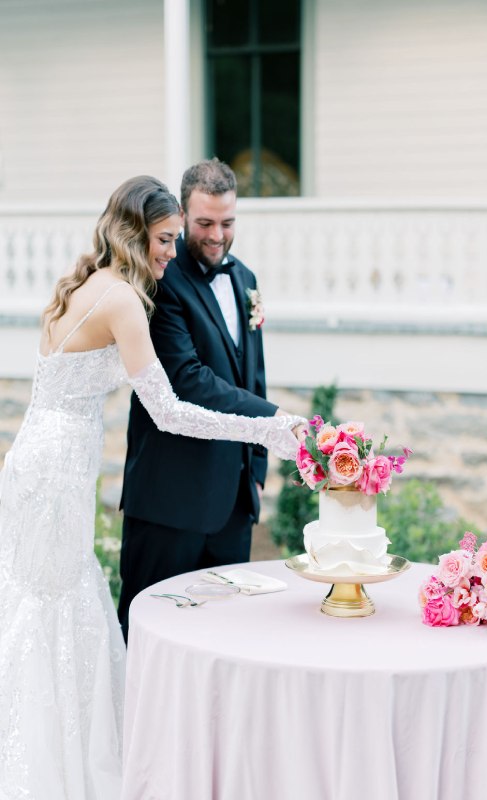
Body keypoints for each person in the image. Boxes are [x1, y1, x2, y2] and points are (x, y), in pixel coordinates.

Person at [0, 175, 302, 800]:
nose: (172, 252)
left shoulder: (89, 285)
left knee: (51, 606)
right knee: (59, 609)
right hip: (56, 474)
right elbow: (172, 412)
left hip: (44, 461)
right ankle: (49, 768)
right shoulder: (123, 302)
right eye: (166, 239)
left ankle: (56, 750)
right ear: (136, 234)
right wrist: (269, 429)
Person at [118, 158, 284, 639]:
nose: (216, 235)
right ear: (183, 216)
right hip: (170, 502)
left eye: (227, 223)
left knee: (225, 640)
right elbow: (188, 380)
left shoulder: (245, 278)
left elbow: (253, 376)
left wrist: (254, 473)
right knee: (149, 638)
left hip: (233, 504)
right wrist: (276, 423)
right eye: (205, 223)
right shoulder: (159, 278)